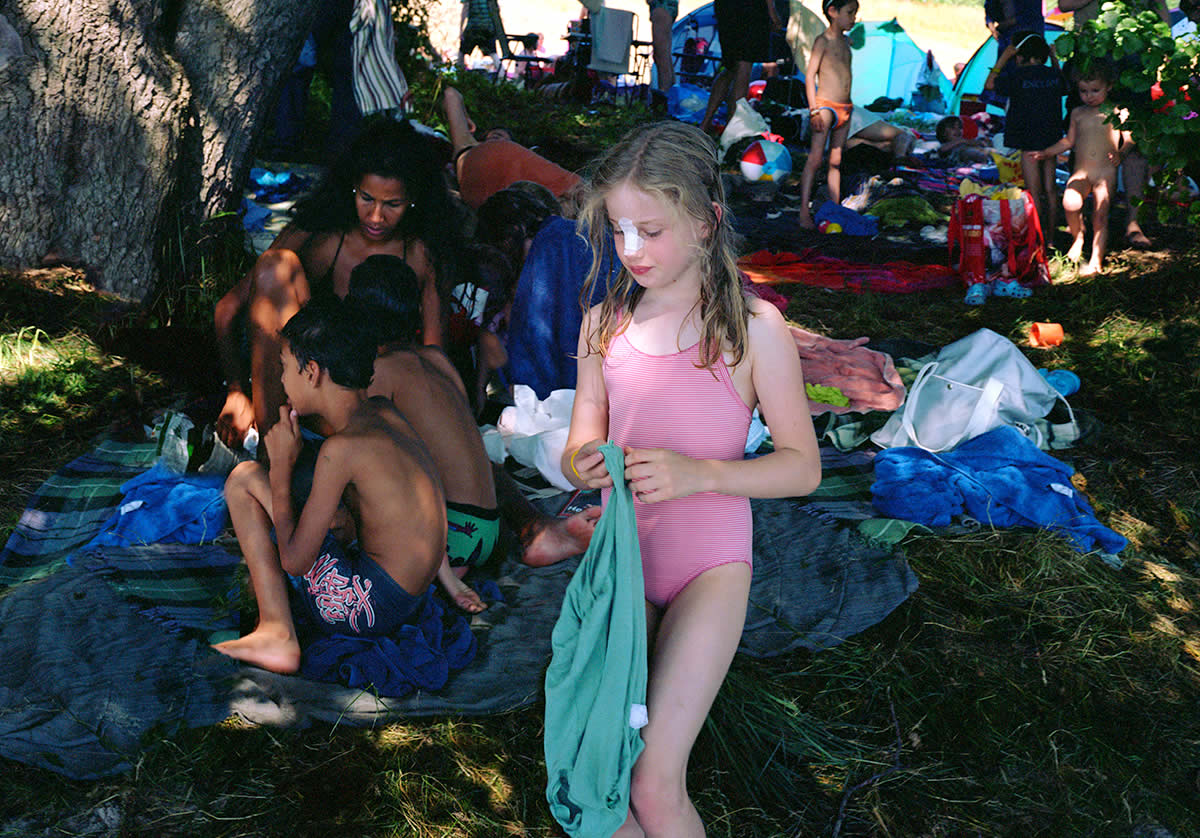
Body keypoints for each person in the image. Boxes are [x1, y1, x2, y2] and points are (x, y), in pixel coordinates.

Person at [561, 120, 821, 837]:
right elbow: (584, 433)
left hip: (708, 569)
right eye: (618, 232)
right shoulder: (602, 327)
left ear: (706, 222)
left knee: (653, 779)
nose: (631, 250)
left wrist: (699, 473)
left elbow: (802, 468)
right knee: (598, 769)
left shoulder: (752, 329)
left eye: (650, 230)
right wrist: (579, 458)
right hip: (622, 564)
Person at [215, 297, 446, 674]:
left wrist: (280, 470)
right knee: (319, 508)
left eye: (285, 368)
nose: (283, 382)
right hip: (411, 601)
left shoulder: (341, 450)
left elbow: (294, 559)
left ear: (313, 372)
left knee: (243, 480)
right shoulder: (383, 412)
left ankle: (277, 632)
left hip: (367, 609)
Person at [349, 255, 602, 591]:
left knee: (357, 475)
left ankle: (447, 567)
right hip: (490, 527)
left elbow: (358, 440)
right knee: (480, 459)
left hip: (453, 538)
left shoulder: (380, 373)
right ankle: (533, 526)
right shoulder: (435, 357)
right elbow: (465, 422)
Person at [213, 117, 459, 451]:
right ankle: (272, 447)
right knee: (275, 266)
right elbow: (228, 309)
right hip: (301, 397)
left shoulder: (422, 254)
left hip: (376, 406)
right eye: (366, 198)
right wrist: (236, 392)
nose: (376, 217)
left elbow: (434, 357)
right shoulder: (319, 233)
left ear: (413, 200)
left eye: (392, 205)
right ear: (351, 188)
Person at [1033, 62, 1132, 275]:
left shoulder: (1117, 112)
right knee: (1070, 203)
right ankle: (1077, 237)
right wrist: (1048, 152)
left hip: (1105, 173)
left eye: (1095, 90)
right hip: (1081, 171)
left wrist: (1121, 153)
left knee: (1100, 216)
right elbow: (1069, 141)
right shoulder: (1077, 113)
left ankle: (1096, 259)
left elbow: (1130, 139)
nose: (1089, 96)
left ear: (1109, 86)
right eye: (1084, 91)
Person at [440, 85, 582, 209]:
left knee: (574, 193)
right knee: (576, 189)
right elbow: (451, 94)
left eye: (502, 137)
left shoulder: (516, 164)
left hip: (508, 186)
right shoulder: (466, 145)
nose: (497, 138)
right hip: (485, 192)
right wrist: (467, 119)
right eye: (494, 135)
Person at [986, 33, 1067, 237]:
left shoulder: (1017, 76)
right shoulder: (1053, 75)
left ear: (1020, 56)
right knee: (1049, 189)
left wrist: (1003, 58)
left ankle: (1038, 239)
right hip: (1052, 138)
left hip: (1028, 140)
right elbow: (1064, 85)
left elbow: (989, 85)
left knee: (1033, 191)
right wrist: (1055, 58)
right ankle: (1051, 237)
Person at [798, 0, 859, 230]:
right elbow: (809, 75)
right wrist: (813, 109)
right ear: (833, 12)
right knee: (815, 159)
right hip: (825, 107)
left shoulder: (845, 41)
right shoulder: (823, 41)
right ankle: (804, 210)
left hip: (845, 107)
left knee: (836, 161)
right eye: (850, 13)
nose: (853, 18)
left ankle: (834, 210)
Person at [698, 0, 784, 134]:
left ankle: (705, 123)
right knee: (744, 65)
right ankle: (732, 129)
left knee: (731, 66)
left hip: (726, 8)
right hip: (749, 10)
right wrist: (772, 13)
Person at [647, 0, 678, 94]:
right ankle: (671, 93)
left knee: (661, 55)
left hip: (661, 6)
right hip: (663, 6)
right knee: (663, 54)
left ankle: (664, 93)